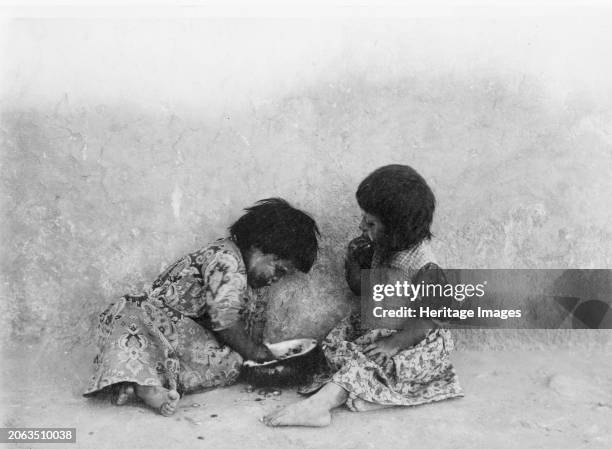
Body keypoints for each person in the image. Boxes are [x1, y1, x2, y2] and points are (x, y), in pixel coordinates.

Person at [264, 165, 463, 427]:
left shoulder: (424, 266)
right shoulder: (382, 246)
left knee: (373, 363)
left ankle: (321, 406)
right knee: (337, 348)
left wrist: (396, 343)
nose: (361, 226)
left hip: (412, 336)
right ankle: (372, 395)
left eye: (370, 223)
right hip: (379, 325)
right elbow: (364, 290)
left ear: (397, 229)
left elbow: (432, 317)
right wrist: (355, 265)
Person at [83, 198, 320, 416]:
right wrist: (255, 354)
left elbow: (253, 327)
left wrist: (257, 356)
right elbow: (225, 321)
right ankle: (145, 385)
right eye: (278, 270)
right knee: (135, 316)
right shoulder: (227, 260)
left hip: (185, 341)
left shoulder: (253, 283)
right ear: (259, 247)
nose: (275, 279)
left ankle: (141, 383)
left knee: (229, 361)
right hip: (158, 326)